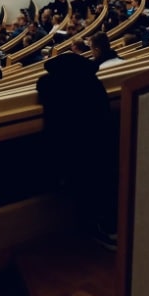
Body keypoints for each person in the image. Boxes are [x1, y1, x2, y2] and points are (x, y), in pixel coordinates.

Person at [36, 53, 117, 250]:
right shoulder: (93, 84)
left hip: (74, 153)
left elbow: (43, 86)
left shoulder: (53, 86)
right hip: (102, 146)